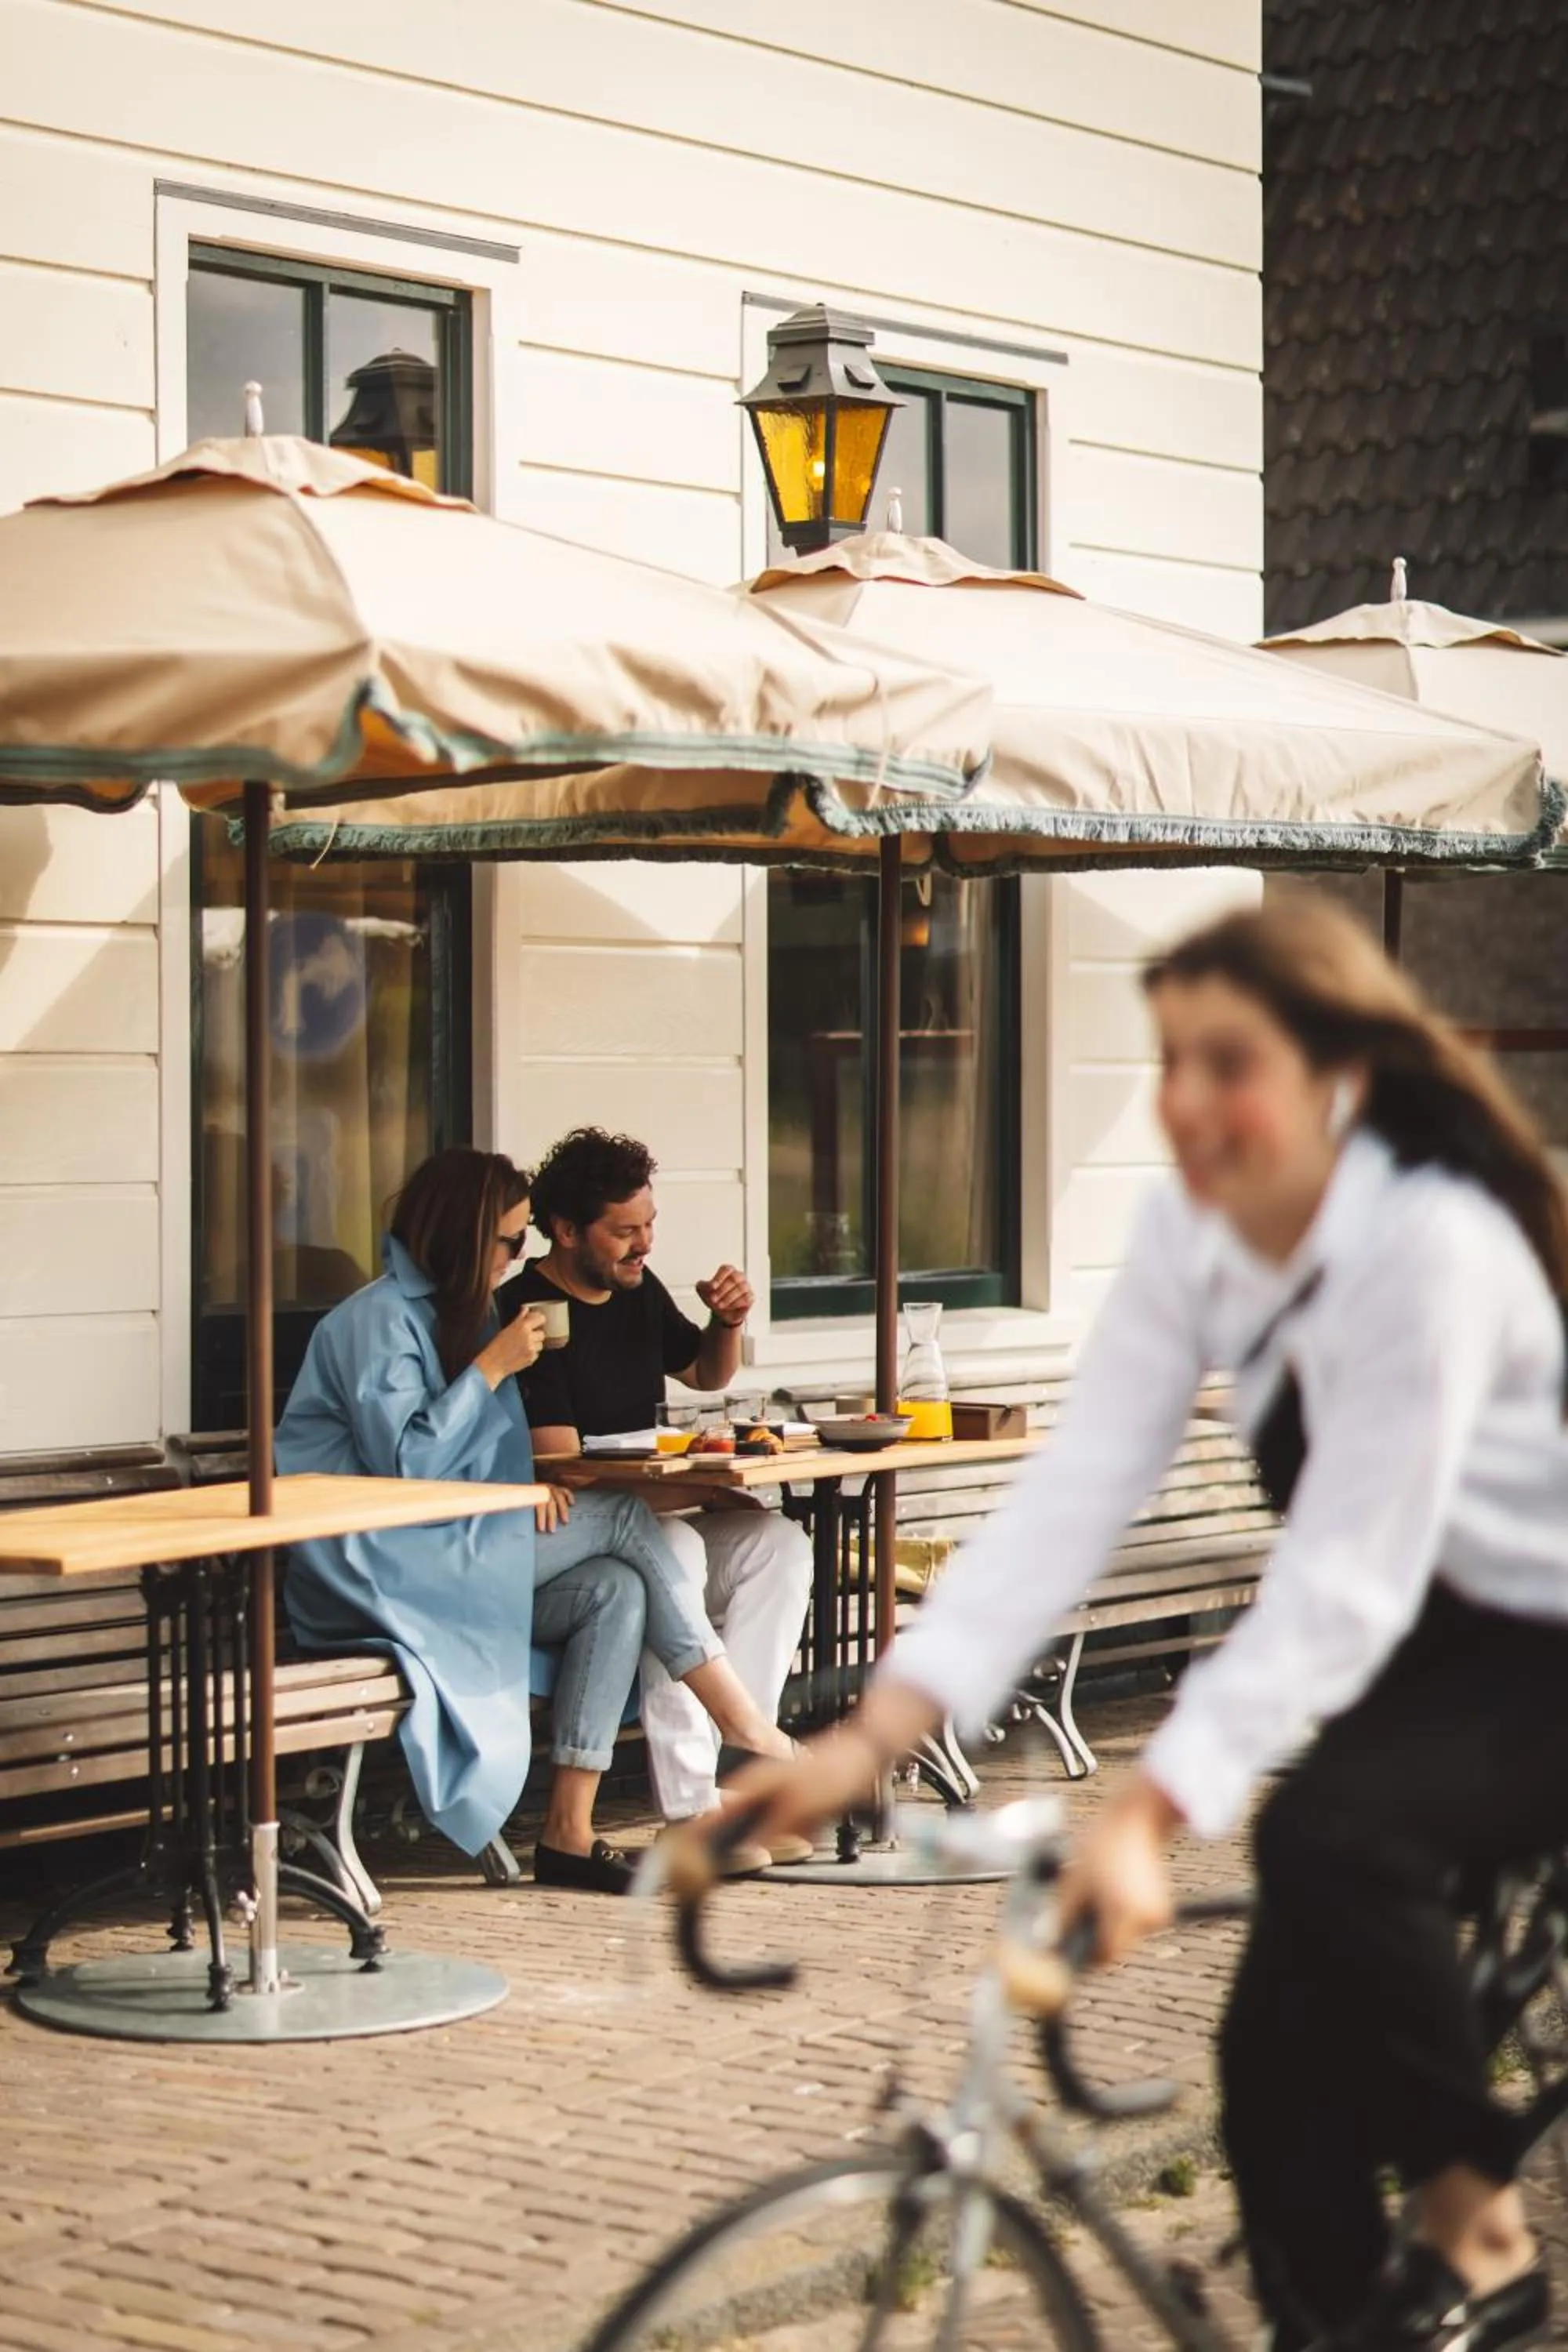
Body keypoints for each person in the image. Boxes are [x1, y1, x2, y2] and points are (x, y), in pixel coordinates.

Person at [726, 895, 1568, 2352]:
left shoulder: (1432, 1244)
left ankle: (1481, 2234)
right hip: (1415, 1662)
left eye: (1227, 1064)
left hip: (1537, 1650)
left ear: (1336, 1078)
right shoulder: (1193, 1232)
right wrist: (867, 1740)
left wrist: (1145, 1810)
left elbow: (1348, 1574)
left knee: (1329, 1837)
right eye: (1170, 1059)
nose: (1183, 1100)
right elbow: (1077, 1493)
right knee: (1266, 2067)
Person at [276, 1147, 794, 1896]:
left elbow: (485, 1453)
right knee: (623, 1518)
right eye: (510, 1240)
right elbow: (407, 1466)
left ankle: (566, 1835)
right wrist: (492, 1366)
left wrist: (527, 1487)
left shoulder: (465, 1313)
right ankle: (741, 1723)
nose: (520, 1255)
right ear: (462, 1235)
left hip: (452, 1545)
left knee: (616, 1589)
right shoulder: (376, 1321)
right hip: (375, 1567)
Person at [503, 1127, 813, 1860]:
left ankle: (743, 1786)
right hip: (579, 1542)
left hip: (659, 1507)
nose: (643, 1244)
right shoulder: (530, 1315)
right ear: (566, 1231)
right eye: (624, 1232)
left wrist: (726, 1321)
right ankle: (690, 1808)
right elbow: (565, 1468)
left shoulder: (635, 1291)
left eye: (649, 1225)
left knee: (779, 1545)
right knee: (675, 1552)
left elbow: (705, 1374)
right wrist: (700, 1488)